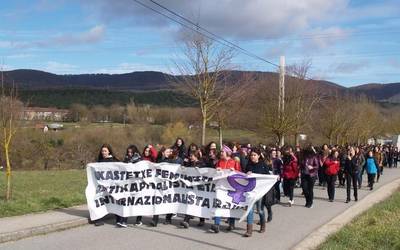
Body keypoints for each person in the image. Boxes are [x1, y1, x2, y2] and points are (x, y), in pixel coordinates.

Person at [210, 148, 241, 233]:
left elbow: (240, 174)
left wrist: (234, 171)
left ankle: (231, 224)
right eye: (220, 151)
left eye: (222, 151)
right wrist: (217, 170)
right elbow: (215, 173)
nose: (221, 153)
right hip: (221, 186)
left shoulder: (234, 162)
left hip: (231, 187)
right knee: (218, 203)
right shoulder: (219, 162)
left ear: (228, 153)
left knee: (230, 205)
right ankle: (216, 224)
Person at [243, 148, 270, 237]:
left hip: (260, 192)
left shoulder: (263, 165)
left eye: (254, 155)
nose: (252, 157)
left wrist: (275, 178)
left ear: (258, 155)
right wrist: (247, 173)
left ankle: (263, 224)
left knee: (260, 210)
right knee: (249, 210)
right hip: (250, 191)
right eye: (251, 155)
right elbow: (244, 177)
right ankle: (249, 230)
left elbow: (268, 177)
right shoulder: (248, 165)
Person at [95, 144, 121, 227]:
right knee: (100, 201)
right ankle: (98, 219)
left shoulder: (114, 161)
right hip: (102, 186)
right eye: (102, 151)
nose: (103, 152)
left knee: (115, 201)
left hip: (112, 186)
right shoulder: (99, 161)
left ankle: (119, 220)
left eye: (105, 151)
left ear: (109, 151)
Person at [180, 150, 206, 228]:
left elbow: (206, 172)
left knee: (199, 203)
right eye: (190, 156)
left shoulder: (202, 163)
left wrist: (199, 169)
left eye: (192, 156)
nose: (190, 157)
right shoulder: (189, 164)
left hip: (199, 187)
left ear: (196, 156)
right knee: (190, 203)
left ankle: (202, 220)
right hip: (190, 187)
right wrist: (183, 167)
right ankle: (186, 220)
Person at [151, 147, 174, 227]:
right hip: (159, 185)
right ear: (163, 153)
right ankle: (155, 220)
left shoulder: (172, 161)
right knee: (157, 201)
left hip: (169, 185)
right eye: (167, 152)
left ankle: (168, 219)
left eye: (169, 152)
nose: (168, 153)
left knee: (169, 201)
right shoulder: (159, 161)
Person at [123, 145, 143, 226]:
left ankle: (138, 220)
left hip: (138, 185)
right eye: (128, 152)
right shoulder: (126, 159)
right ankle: (124, 220)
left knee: (138, 202)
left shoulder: (140, 160)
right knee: (127, 201)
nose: (129, 154)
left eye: (131, 152)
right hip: (128, 184)